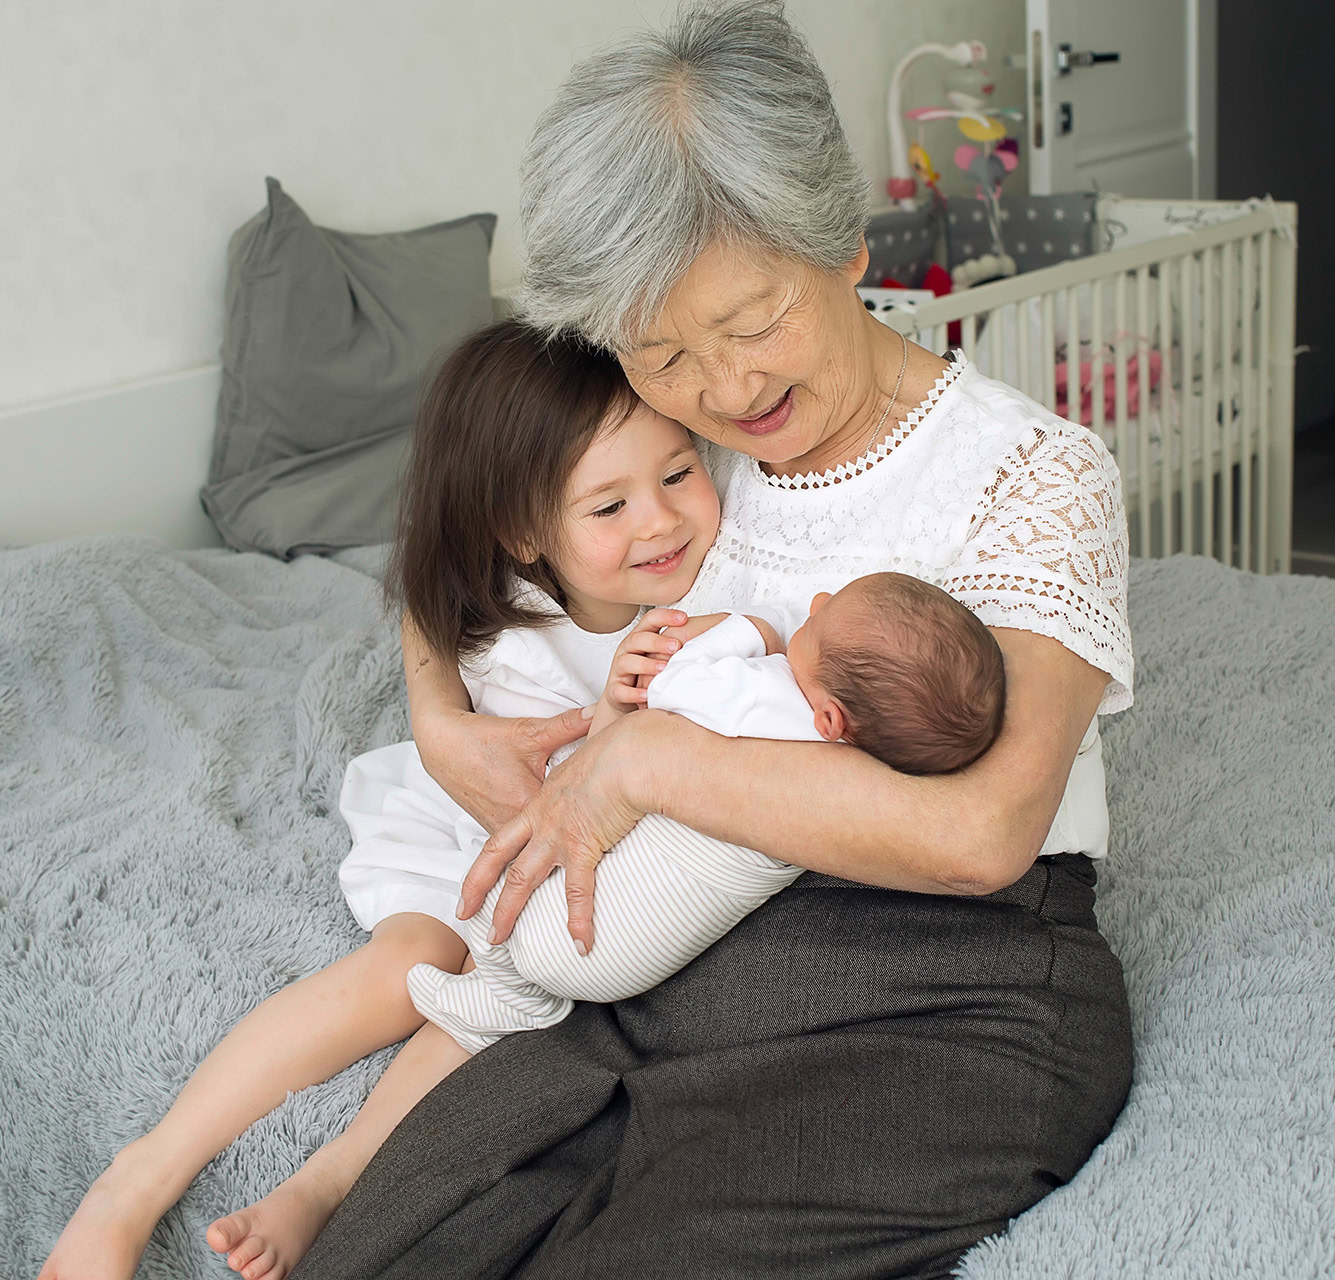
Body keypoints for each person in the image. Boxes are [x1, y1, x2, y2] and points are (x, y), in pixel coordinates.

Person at [291, 4, 1136, 1278]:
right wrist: (437, 717)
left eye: (755, 324)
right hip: (665, 956)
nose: (730, 390)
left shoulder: (1033, 474)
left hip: (939, 995)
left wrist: (642, 766)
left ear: (845, 245)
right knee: (405, 1237)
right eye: (667, 351)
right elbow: (454, 534)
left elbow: (980, 835)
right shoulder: (686, 464)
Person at [41, 318, 728, 1280]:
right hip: (492, 824)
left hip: (591, 850)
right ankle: (139, 1177)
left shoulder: (728, 576)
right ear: (527, 534)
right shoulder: (519, 649)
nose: (661, 521)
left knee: (488, 1010)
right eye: (608, 507)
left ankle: (329, 1179)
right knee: (414, 967)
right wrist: (615, 702)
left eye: (679, 474)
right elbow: (554, 811)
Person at [407, 570, 1008, 1054]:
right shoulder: (849, 763)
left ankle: (515, 998)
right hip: (634, 960)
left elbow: (669, 689)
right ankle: (521, 995)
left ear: (830, 719)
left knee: (494, 890)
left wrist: (748, 628)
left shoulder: (769, 702)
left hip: (591, 938)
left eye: (820, 620)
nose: (816, 599)